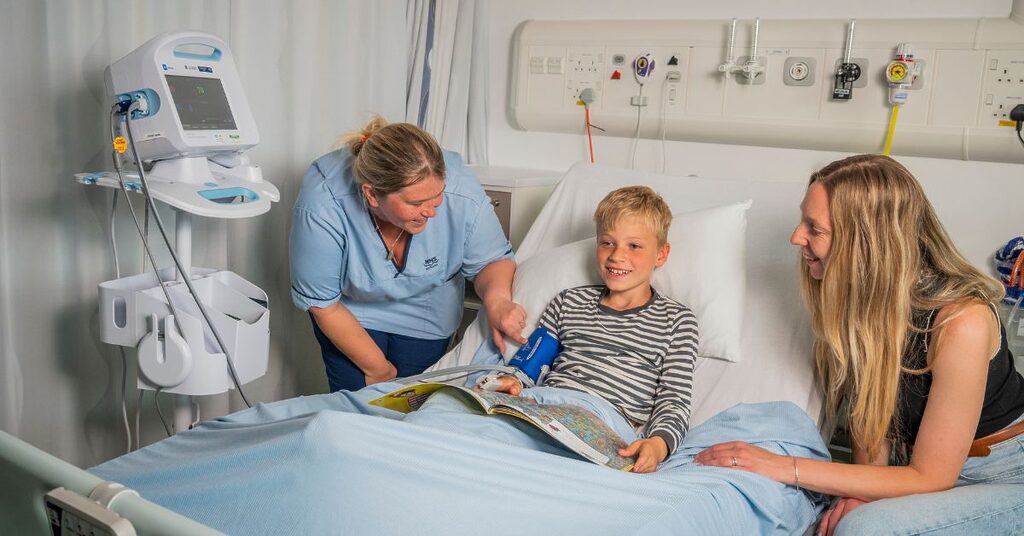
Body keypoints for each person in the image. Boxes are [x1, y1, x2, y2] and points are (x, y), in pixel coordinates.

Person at [694, 154, 1024, 535]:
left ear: (867, 242)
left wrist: (782, 465)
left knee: (866, 529)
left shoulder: (961, 321)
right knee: (840, 518)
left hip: (1005, 474)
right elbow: (873, 419)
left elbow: (932, 476)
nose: (796, 237)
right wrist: (862, 488)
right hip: (926, 469)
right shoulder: (861, 304)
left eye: (814, 229)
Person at [289, 117, 527, 392]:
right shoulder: (324, 203)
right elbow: (324, 304)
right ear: (372, 195)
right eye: (416, 203)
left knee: (415, 407)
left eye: (437, 195)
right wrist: (379, 369)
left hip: (428, 311)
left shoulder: (461, 189)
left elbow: (491, 259)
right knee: (357, 410)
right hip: (350, 315)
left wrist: (497, 301)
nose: (431, 210)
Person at [487, 186, 699, 473]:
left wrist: (658, 444)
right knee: (463, 422)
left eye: (634, 246)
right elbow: (529, 365)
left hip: (604, 421)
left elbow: (674, 400)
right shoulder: (569, 301)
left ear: (661, 254)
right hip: (543, 405)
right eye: (607, 243)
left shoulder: (677, 321)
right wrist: (511, 383)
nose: (616, 256)